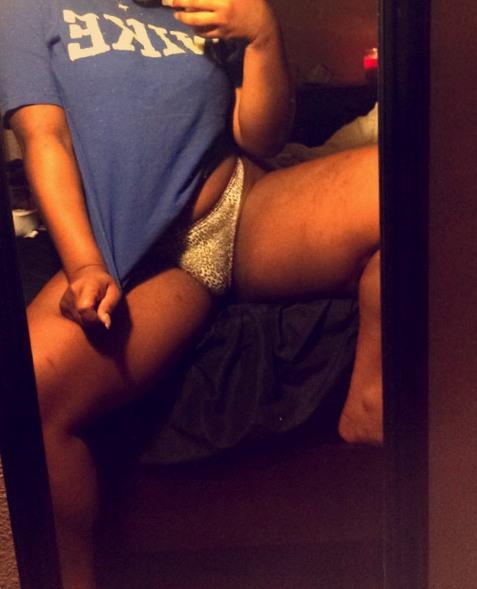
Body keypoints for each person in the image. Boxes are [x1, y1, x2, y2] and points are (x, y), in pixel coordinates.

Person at [0, 0, 381, 587]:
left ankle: (370, 403)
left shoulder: (201, 9)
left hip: (245, 205)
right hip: (159, 252)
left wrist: (263, 36)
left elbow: (260, 136)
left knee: (411, 184)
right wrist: (85, 264)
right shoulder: (32, 10)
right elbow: (45, 139)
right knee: (30, 390)